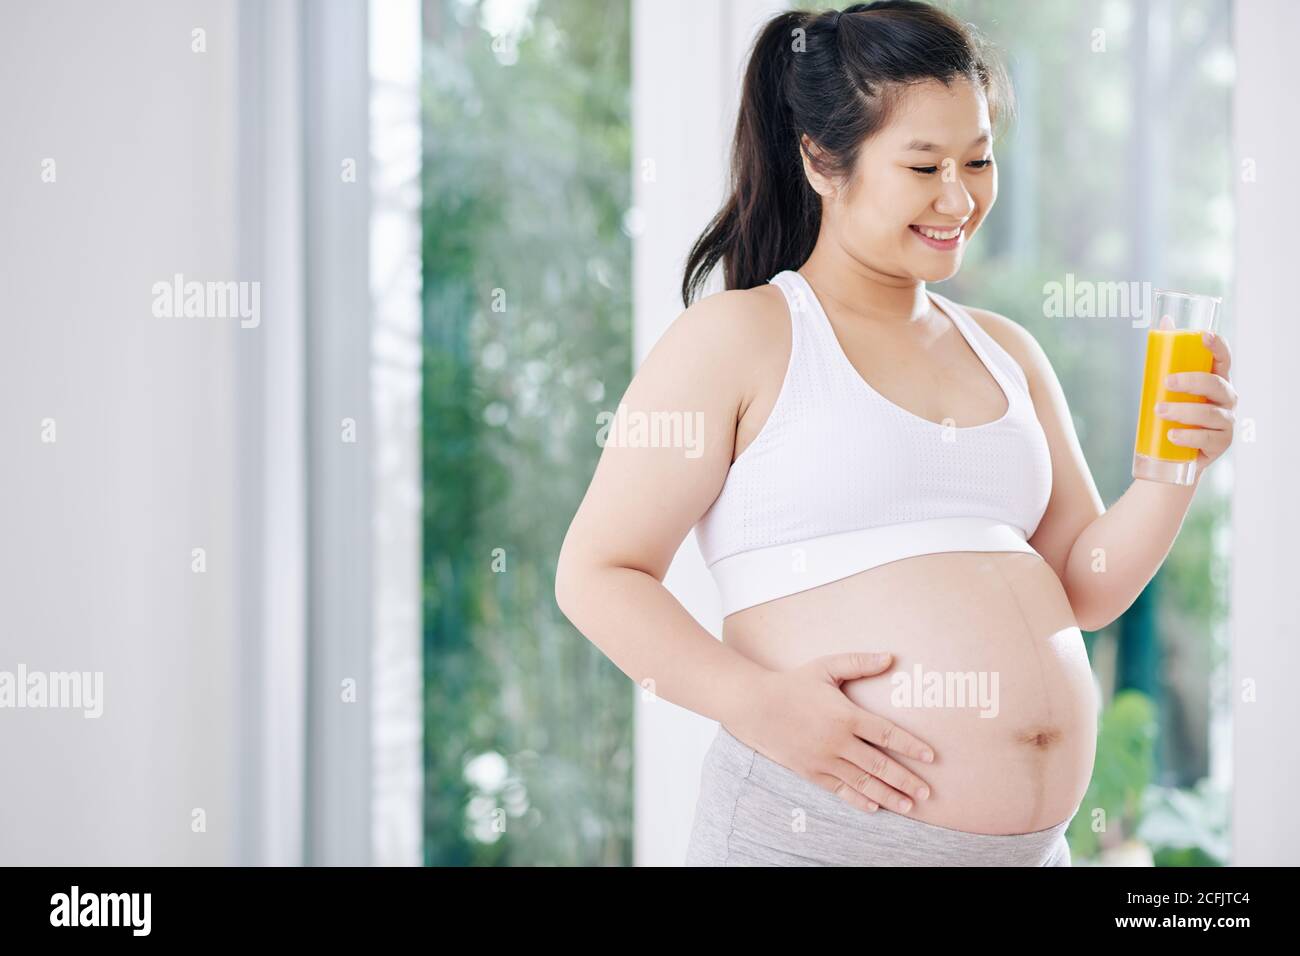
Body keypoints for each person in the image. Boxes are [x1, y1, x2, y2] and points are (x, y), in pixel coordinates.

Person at [554, 1, 1238, 866]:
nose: (960, 197)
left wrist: (1174, 471)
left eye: (980, 160)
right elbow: (596, 574)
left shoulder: (1007, 352)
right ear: (819, 160)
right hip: (819, 837)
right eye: (924, 166)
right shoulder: (743, 336)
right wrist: (753, 701)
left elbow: (1085, 588)